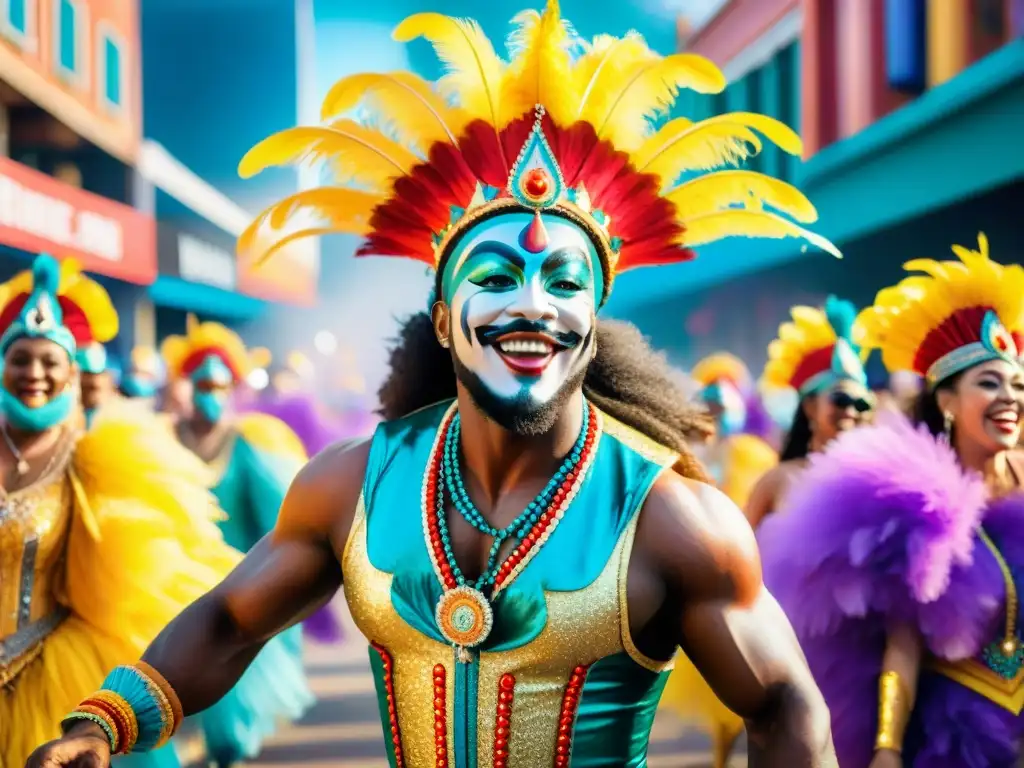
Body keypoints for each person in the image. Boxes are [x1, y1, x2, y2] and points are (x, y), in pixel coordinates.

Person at [34, 2, 838, 765]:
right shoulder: (352, 484)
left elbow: (785, 705)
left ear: (594, 322)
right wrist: (106, 723)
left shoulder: (675, 519)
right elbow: (228, 620)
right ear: (446, 320)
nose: (532, 305)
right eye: (497, 276)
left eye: (564, 283)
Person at [757, 233, 1024, 767]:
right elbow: (902, 642)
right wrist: (887, 748)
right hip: (959, 735)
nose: (1010, 398)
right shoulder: (918, 505)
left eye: (1018, 384)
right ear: (946, 400)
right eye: (990, 383)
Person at [0, 254, 241, 768]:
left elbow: (143, 579)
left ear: (70, 373)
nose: (34, 373)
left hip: (48, 674)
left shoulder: (99, 455)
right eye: (20, 358)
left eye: (50, 361)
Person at [159, 320, 315, 766]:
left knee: (229, 739)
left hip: (233, 595)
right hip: (171, 593)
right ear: (184, 386)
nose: (211, 392)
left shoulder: (250, 443)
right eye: (202, 383)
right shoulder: (161, 440)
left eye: (220, 384)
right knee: (162, 716)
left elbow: (283, 525)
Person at [661, 352, 778, 768]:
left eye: (726, 405)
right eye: (711, 404)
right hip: (703, 583)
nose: (719, 413)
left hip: (750, 581)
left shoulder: (757, 455)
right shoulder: (687, 458)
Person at [746, 296, 874, 528]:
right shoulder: (777, 481)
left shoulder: (878, 478)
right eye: (841, 399)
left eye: (862, 404)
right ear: (810, 407)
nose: (852, 411)